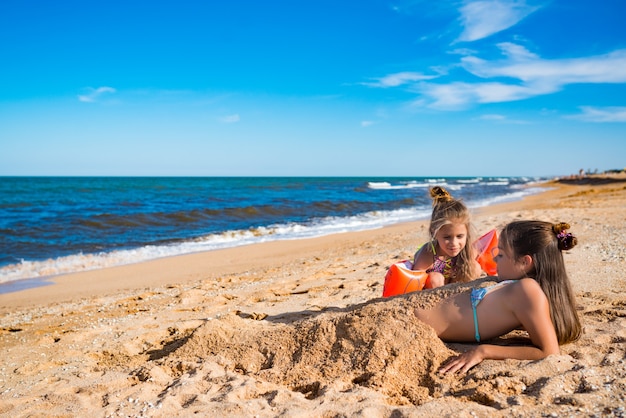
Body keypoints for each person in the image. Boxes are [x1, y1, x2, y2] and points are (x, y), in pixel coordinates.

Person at [414, 220, 582, 374]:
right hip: (414, 311)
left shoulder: (527, 290)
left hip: (414, 322)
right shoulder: (520, 286)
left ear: (525, 262)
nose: (494, 258)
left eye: (500, 255)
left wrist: (483, 351)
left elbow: (549, 352)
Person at [412, 186, 481, 288]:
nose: (454, 243)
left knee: (475, 267)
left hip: (453, 286)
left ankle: (461, 297)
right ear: (434, 232)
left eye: (459, 236)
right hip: (433, 289)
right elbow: (414, 283)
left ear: (467, 233)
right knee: (435, 278)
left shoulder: (467, 250)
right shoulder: (427, 254)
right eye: (447, 237)